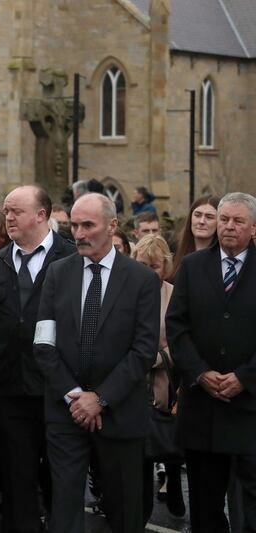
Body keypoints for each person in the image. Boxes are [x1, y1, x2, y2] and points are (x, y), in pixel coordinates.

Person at [34, 192, 160, 533]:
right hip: (66, 412)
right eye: (74, 225)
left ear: (113, 226)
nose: (79, 233)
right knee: (64, 509)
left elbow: (144, 350)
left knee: (123, 510)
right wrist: (76, 395)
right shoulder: (57, 274)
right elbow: (44, 344)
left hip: (120, 415)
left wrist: (100, 398)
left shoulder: (141, 280)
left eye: (88, 225)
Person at [0, 185, 76, 533]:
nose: (9, 218)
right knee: (18, 483)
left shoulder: (71, 259)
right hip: (10, 392)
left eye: (16, 210)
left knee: (59, 478)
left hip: (58, 390)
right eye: (6, 211)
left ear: (41, 215)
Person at [166, 192, 256, 532]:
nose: (229, 227)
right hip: (203, 409)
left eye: (238, 221)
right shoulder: (192, 266)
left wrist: (244, 377)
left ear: (254, 229)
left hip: (249, 406)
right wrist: (201, 373)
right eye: (225, 220)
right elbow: (176, 325)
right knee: (205, 506)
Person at [130, 235, 185, 520]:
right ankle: (142, 511)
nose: (148, 271)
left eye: (154, 266)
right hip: (133, 386)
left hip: (166, 384)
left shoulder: (174, 295)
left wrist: (155, 358)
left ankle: (173, 481)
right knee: (139, 453)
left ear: (164, 267)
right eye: (142, 264)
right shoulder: (125, 293)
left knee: (167, 441)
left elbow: (183, 341)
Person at [171, 195, 219, 278]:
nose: (201, 221)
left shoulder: (223, 258)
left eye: (209, 217)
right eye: (197, 215)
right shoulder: (174, 251)